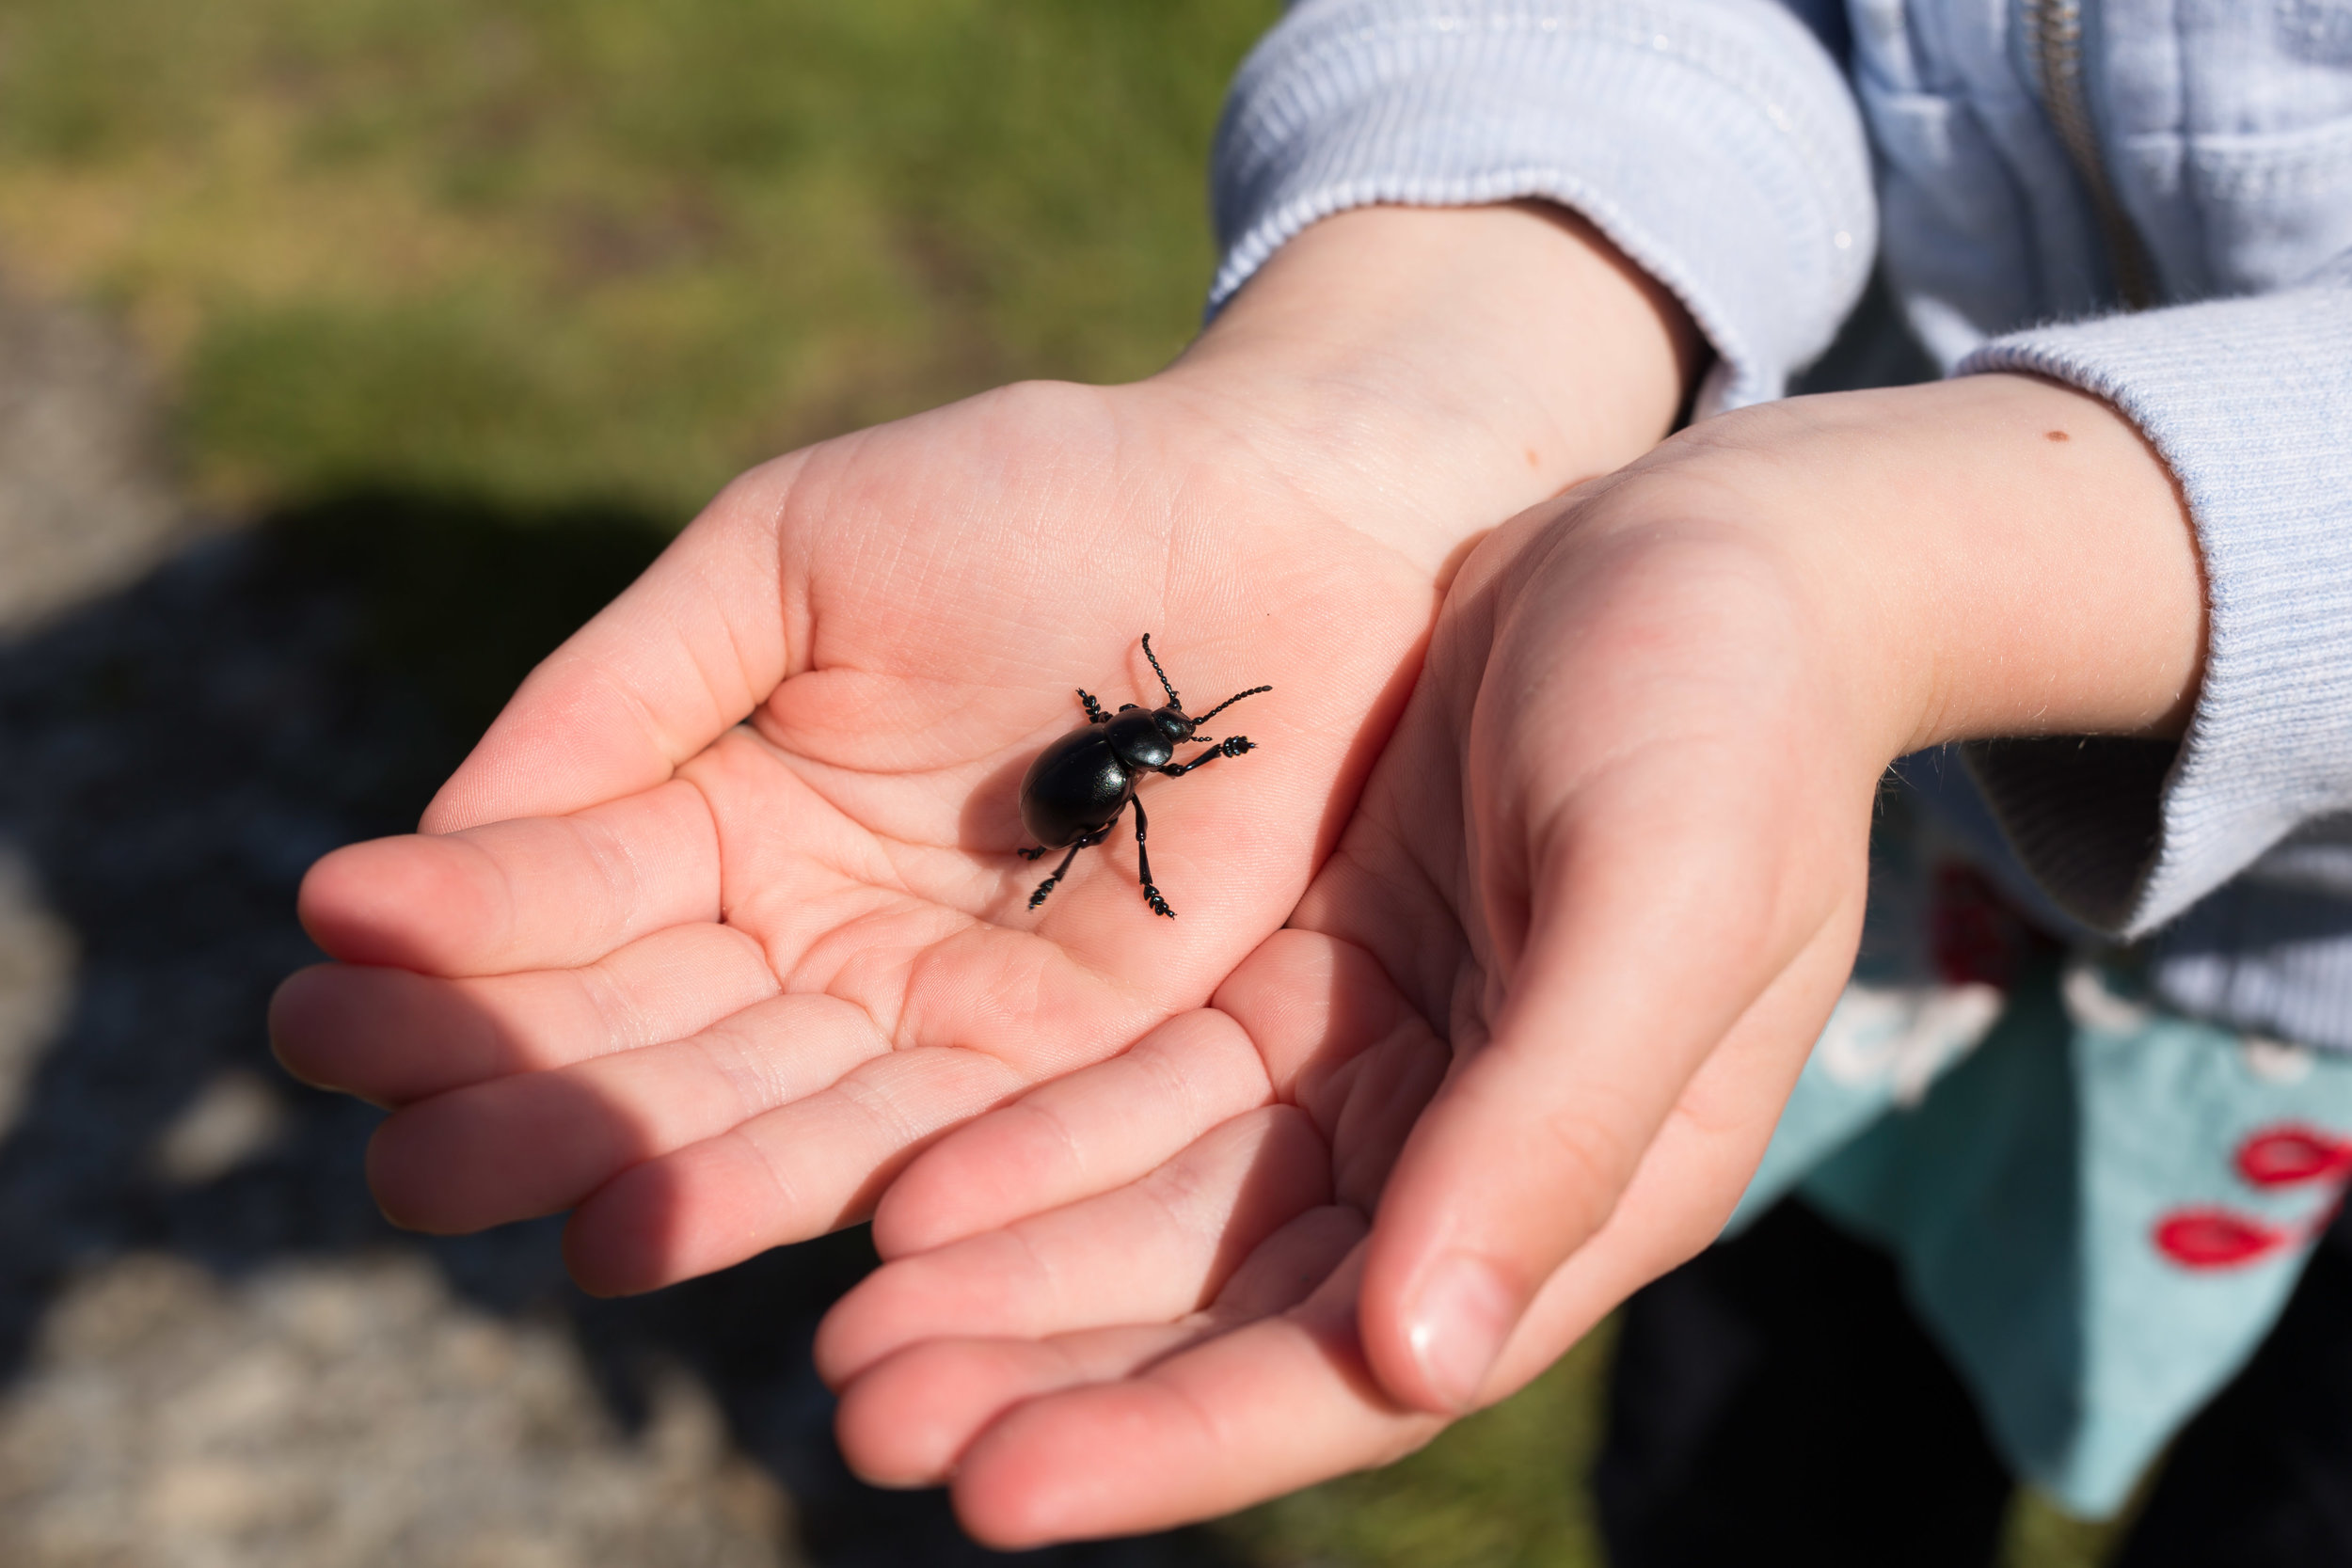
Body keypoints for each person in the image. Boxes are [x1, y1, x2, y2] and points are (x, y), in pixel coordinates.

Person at [270, 0, 2352, 1560]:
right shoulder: (1143, 752)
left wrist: (1892, 557)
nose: (1168, 740)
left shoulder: (1140, 756)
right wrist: (1400, 375)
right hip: (1865, 875)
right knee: (1755, 1456)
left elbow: (1127, 764)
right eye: (1164, 726)